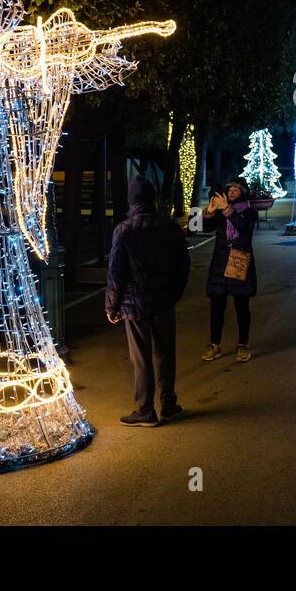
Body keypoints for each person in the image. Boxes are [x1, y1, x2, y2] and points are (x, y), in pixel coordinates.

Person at [105, 175, 191, 427]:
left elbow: (116, 273)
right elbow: (183, 265)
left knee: (140, 358)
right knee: (165, 353)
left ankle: (145, 409)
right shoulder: (169, 226)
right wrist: (175, 293)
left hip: (134, 304)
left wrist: (112, 306)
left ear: (131, 201)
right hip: (164, 300)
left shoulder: (124, 230)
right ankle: (169, 404)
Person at [202, 178, 258, 362]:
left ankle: (243, 344)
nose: (233, 192)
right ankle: (214, 344)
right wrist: (210, 210)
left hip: (240, 260)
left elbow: (243, 227)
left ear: (243, 192)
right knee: (217, 305)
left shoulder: (249, 212)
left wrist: (227, 209)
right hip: (220, 262)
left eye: (237, 189)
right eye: (230, 189)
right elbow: (204, 228)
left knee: (241, 305)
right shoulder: (221, 213)